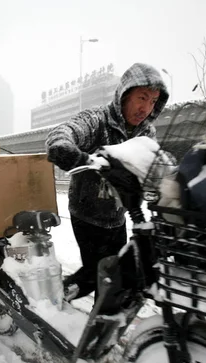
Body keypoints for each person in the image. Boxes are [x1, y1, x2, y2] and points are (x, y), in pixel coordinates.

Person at [45, 63, 170, 302]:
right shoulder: (97, 120)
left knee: (115, 272)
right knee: (101, 275)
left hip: (119, 216)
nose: (146, 108)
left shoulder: (146, 133)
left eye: (153, 101)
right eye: (141, 98)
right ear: (125, 94)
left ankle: (67, 296)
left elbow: (154, 167)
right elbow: (64, 132)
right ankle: (59, 303)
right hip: (87, 212)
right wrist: (67, 150)